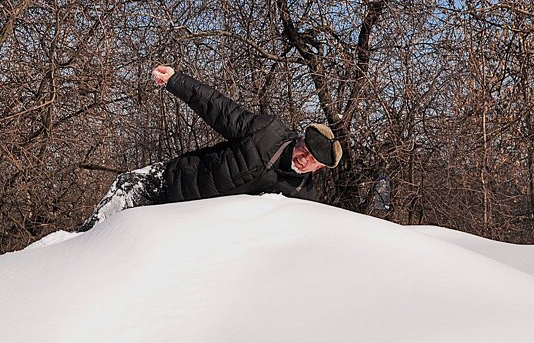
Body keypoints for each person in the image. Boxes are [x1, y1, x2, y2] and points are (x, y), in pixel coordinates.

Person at [77, 65, 342, 231]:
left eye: (311, 160)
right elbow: (221, 109)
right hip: (177, 179)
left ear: (319, 168)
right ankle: (80, 245)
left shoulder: (303, 197)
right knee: (126, 188)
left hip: (189, 225)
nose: (303, 159)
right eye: (303, 150)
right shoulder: (266, 132)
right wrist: (175, 80)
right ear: (299, 140)